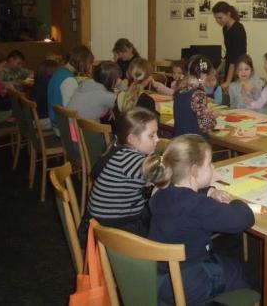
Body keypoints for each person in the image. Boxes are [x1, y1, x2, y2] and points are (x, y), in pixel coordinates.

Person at [143, 134, 254, 305]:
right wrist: (235, 201)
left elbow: (183, 196)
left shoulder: (159, 192)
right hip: (185, 283)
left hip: (157, 276)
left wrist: (209, 190)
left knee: (225, 263)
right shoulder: (197, 205)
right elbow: (244, 218)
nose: (213, 167)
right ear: (194, 171)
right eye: (209, 164)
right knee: (236, 270)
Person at [78, 108, 159, 245]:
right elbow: (163, 175)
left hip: (98, 223)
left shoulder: (119, 150)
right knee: (163, 221)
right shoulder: (132, 160)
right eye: (152, 135)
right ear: (132, 139)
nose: (157, 139)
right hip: (111, 231)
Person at [47, 45, 94, 134]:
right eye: (89, 63)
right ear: (81, 62)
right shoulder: (68, 80)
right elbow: (72, 112)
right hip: (63, 128)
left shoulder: (59, 72)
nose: (89, 66)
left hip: (56, 121)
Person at [173, 55, 217, 138]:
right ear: (203, 75)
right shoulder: (198, 93)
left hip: (180, 140)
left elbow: (190, 113)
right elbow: (205, 125)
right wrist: (212, 117)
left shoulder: (180, 89)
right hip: (195, 142)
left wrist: (204, 113)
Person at [212, 1, 247, 91]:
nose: (218, 21)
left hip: (239, 68)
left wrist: (228, 81)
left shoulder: (238, 28)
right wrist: (217, 71)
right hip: (230, 67)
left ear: (228, 14)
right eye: (216, 18)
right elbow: (228, 54)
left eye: (220, 18)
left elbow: (234, 58)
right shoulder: (225, 28)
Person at [114, 57, 158, 122]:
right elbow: (153, 125)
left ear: (128, 75)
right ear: (148, 78)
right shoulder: (148, 101)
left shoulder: (119, 96)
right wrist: (157, 112)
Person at [31, 59, 59, 130]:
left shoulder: (38, 81)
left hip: (34, 119)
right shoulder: (49, 84)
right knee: (68, 121)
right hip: (43, 121)